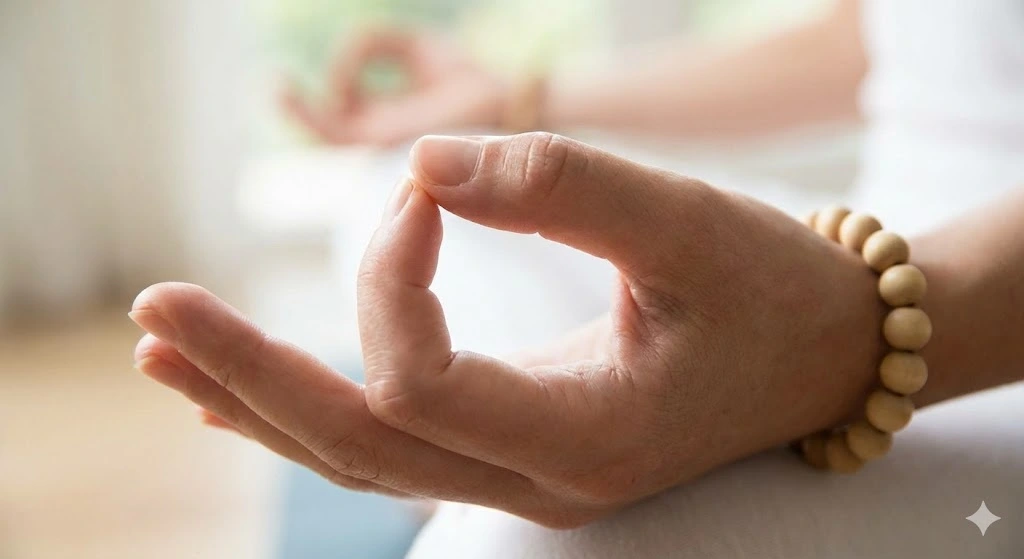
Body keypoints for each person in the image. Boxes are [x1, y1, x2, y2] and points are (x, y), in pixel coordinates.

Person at [130, 0, 1023, 556]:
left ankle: (492, 490)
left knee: (534, 548)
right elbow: (869, 32)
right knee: (407, 183)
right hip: (881, 232)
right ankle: (525, 452)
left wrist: (856, 328)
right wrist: (519, 104)